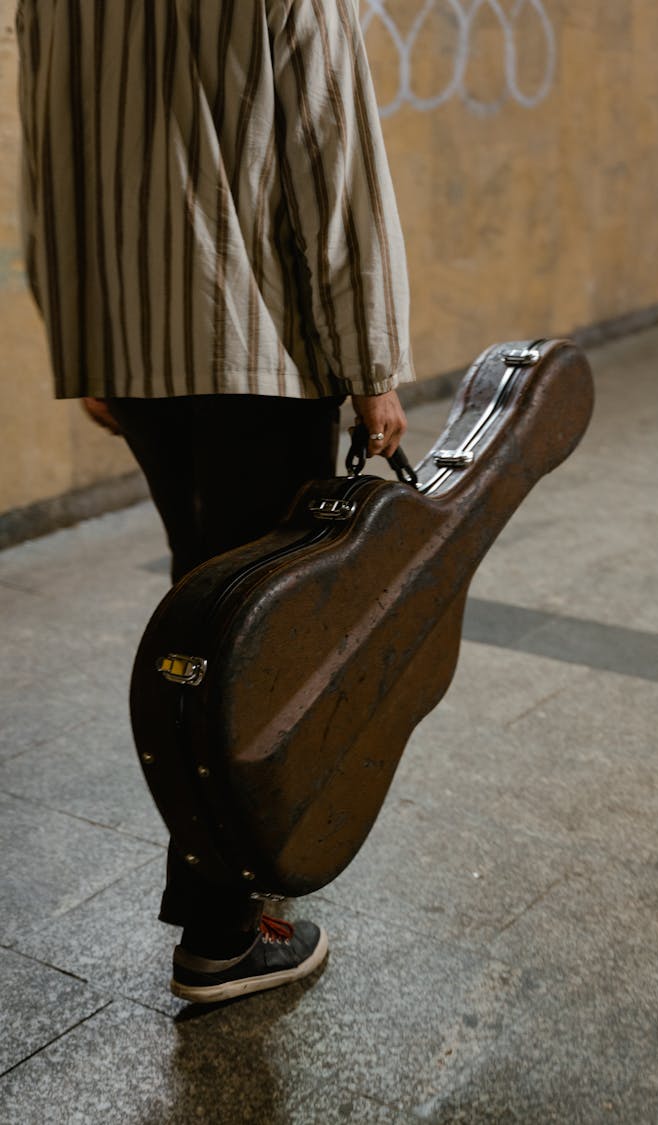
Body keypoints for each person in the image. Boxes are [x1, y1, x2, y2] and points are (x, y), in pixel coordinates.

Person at [15, 0, 414, 1003]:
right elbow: (336, 169)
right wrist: (371, 369)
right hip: (260, 349)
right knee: (254, 644)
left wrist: (86, 332)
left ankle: (225, 903)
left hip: (138, 351)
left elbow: (47, 158)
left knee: (202, 610)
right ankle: (224, 932)